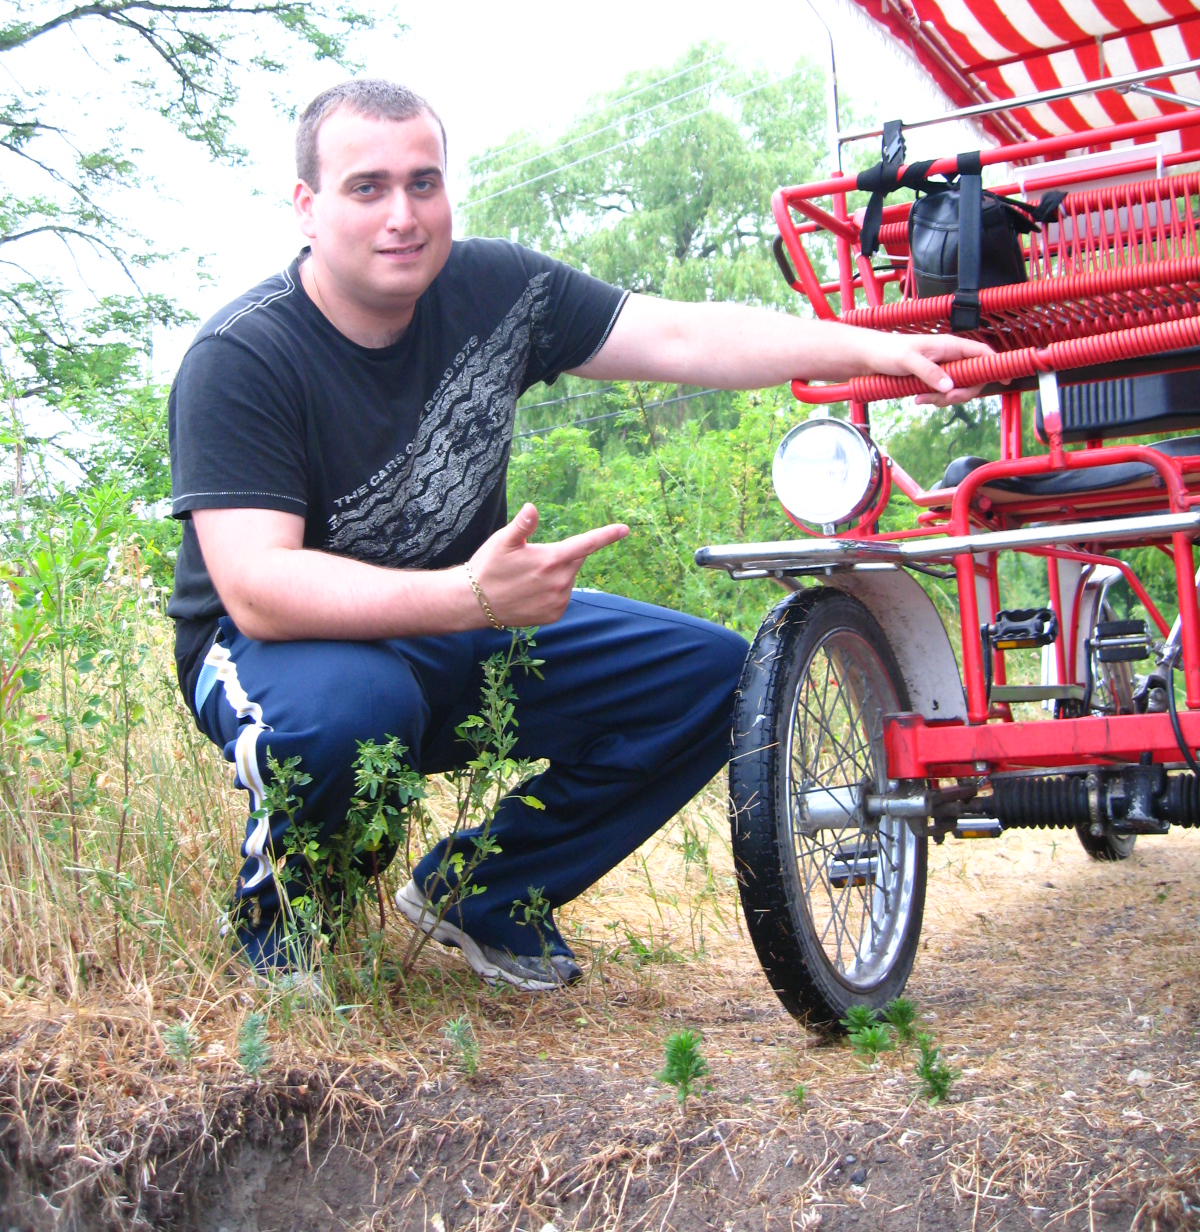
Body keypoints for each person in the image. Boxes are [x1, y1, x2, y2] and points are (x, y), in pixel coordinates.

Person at [167, 78, 989, 990]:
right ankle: (283, 937)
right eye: (368, 188)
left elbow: (681, 337)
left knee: (715, 678)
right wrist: (471, 596)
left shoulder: (497, 289)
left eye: (423, 183)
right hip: (283, 652)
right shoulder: (244, 355)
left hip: (460, 621)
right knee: (357, 713)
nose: (403, 216)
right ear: (308, 206)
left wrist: (874, 349)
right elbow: (259, 590)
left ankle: (485, 894)